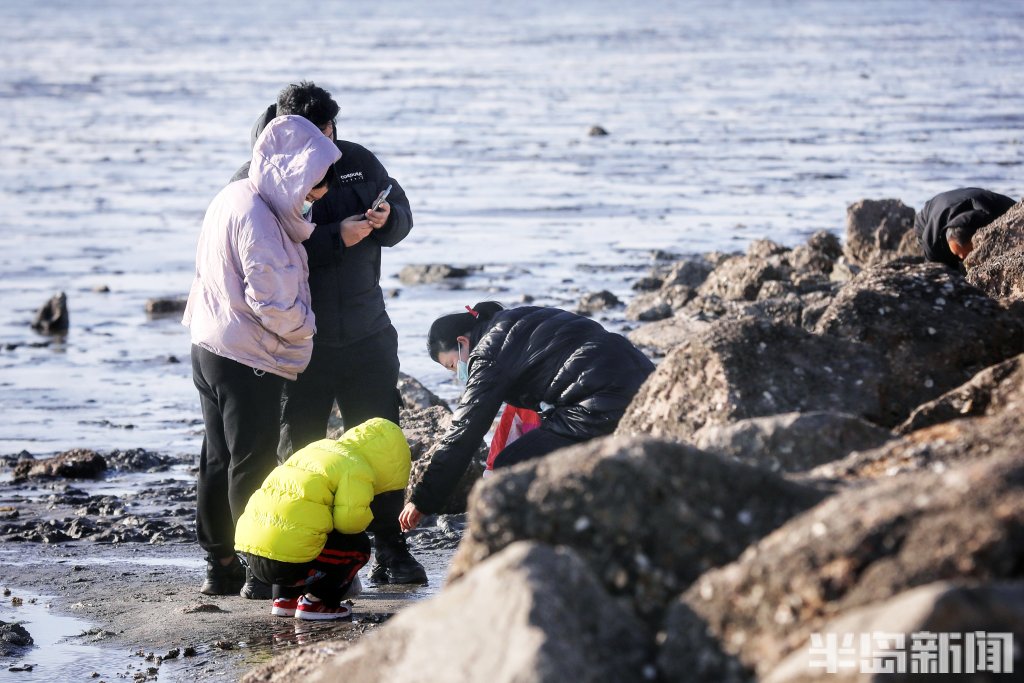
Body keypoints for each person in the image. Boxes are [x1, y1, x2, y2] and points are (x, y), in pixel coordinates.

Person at [230, 81, 424, 585]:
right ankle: (287, 558)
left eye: (330, 129)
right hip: (301, 339)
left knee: (382, 442)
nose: (326, 141)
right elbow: (264, 258)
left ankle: (389, 549)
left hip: (367, 330)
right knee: (298, 446)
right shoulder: (256, 181)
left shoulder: (358, 160)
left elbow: (403, 213)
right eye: (315, 131)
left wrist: (387, 221)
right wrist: (337, 237)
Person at [183, 115, 341, 596]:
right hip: (246, 355)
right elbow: (271, 302)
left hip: (208, 344)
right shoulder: (259, 220)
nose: (318, 195)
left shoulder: (235, 195)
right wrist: (307, 330)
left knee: (217, 457)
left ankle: (220, 565)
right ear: (292, 172)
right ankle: (260, 570)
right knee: (251, 462)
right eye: (313, 186)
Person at [399, 302, 656, 530]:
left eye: (453, 365)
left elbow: (464, 430)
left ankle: (548, 539)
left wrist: (423, 499)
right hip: (646, 380)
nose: (458, 374)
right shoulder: (519, 318)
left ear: (462, 343)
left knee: (512, 467)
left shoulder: (487, 354)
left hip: (604, 401)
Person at [235, 418, 411, 620]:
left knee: (290, 530)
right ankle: (317, 603)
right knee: (359, 547)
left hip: (253, 558)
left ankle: (285, 600)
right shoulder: (356, 467)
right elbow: (350, 523)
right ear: (388, 463)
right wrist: (369, 513)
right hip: (289, 565)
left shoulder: (314, 450)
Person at [915, 187, 1017, 270]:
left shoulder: (1002, 211)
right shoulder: (932, 239)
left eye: (967, 253)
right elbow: (935, 275)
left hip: (980, 200)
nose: (962, 258)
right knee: (947, 270)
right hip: (928, 216)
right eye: (958, 254)